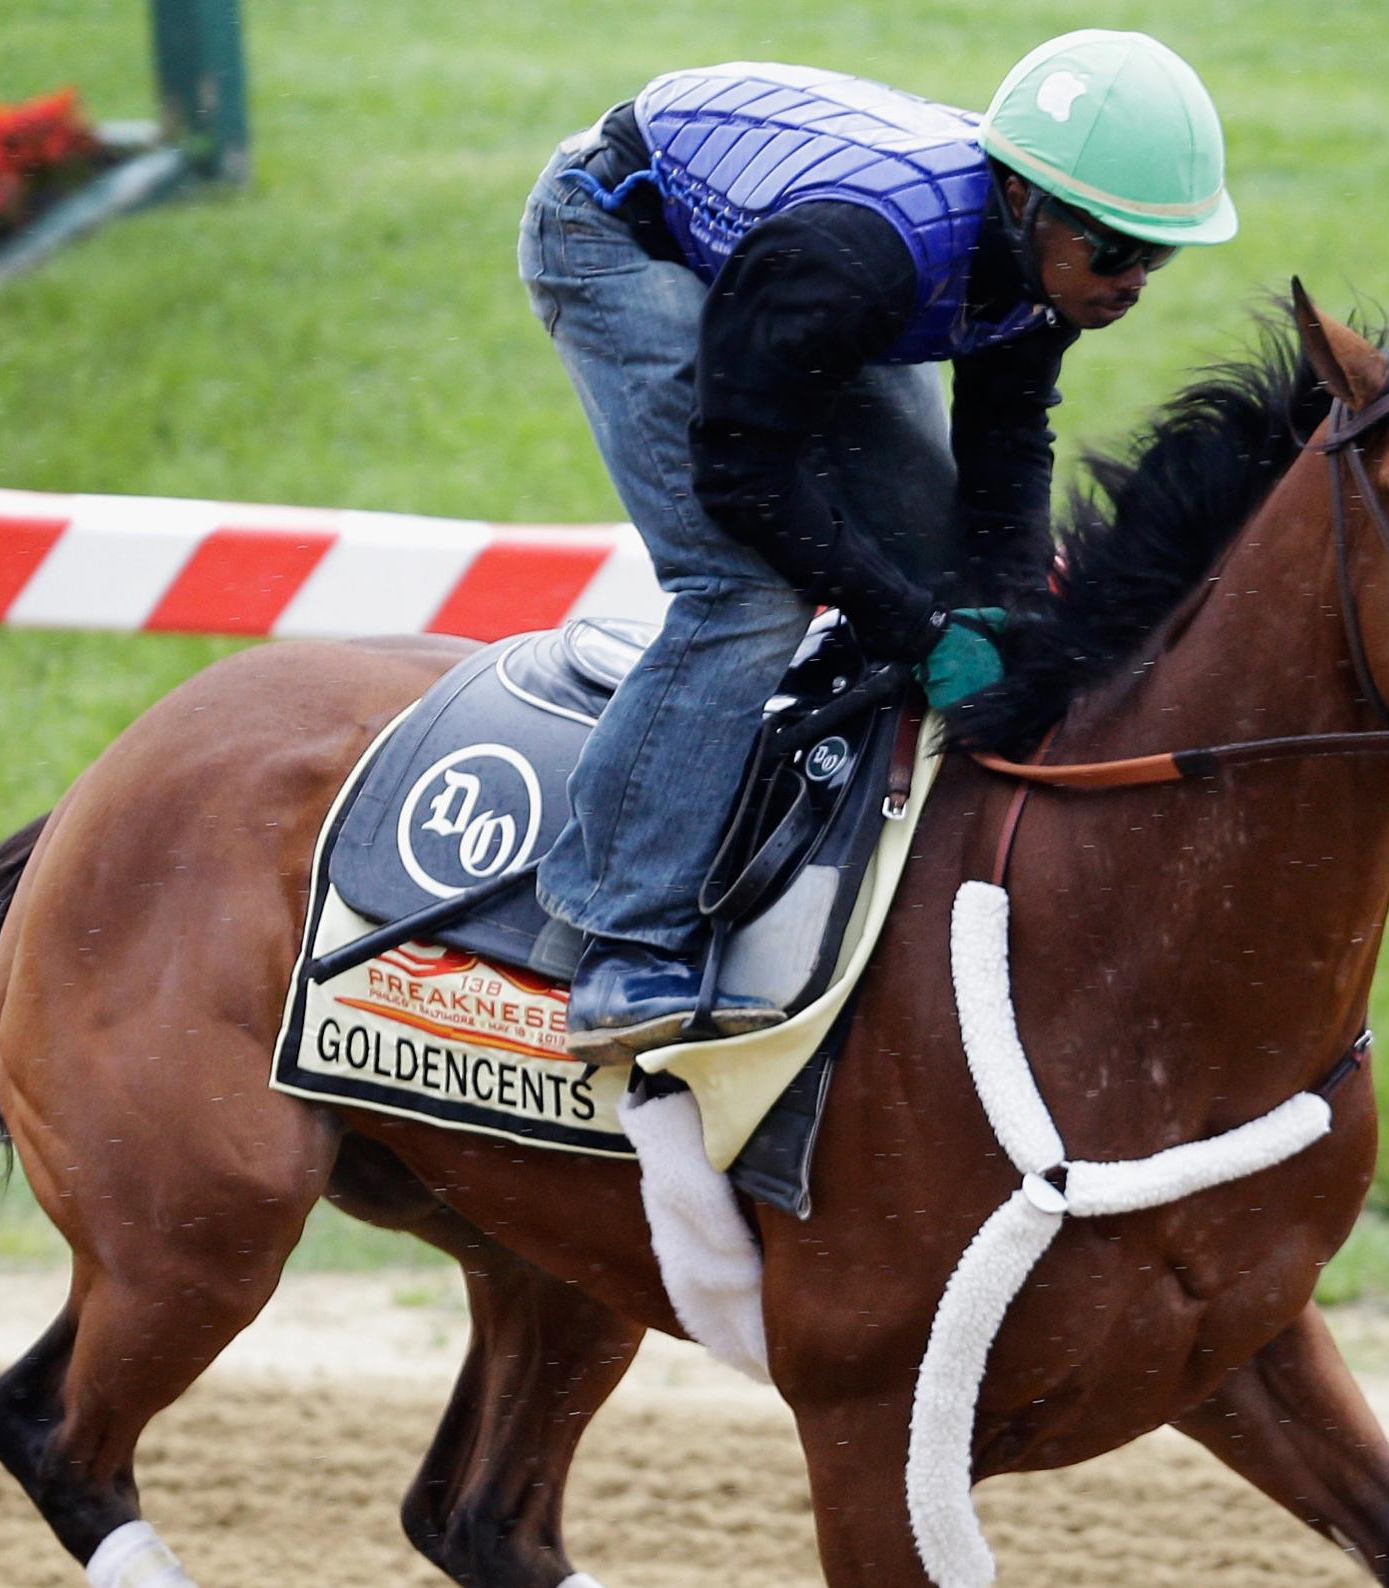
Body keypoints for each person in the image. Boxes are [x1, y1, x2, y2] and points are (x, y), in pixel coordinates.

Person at [518, 31, 1238, 1063]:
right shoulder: (857, 263)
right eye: (1115, 248)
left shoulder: (1039, 271)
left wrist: (1001, 610)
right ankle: (621, 936)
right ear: (1024, 201)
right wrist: (912, 623)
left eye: (1155, 256)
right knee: (746, 592)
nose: (1131, 281)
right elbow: (742, 473)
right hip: (623, 236)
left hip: (794, 270)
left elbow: (1005, 448)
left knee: (944, 557)